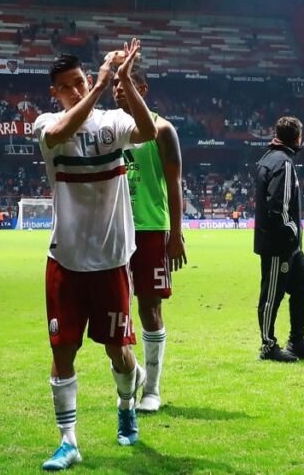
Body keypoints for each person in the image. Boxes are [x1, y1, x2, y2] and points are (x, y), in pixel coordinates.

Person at [33, 41, 158, 471]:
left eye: (80, 81)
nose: (74, 89)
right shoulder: (48, 122)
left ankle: (126, 403)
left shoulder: (112, 121)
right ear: (55, 92)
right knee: (62, 348)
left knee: (118, 355)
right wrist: (100, 86)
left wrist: (122, 80)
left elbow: (148, 131)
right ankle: (68, 442)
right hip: (65, 259)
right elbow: (58, 134)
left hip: (110, 261)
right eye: (66, 86)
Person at [112, 61, 186, 414]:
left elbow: (173, 184)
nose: (116, 89)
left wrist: (177, 234)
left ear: (142, 89)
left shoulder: (162, 129)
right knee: (114, 310)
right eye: (114, 84)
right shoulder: (108, 129)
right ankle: (134, 371)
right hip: (113, 230)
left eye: (124, 83)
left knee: (149, 308)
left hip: (151, 230)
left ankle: (152, 389)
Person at [254, 116, 304, 363]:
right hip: (279, 245)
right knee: (272, 294)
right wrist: (292, 232)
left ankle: (296, 341)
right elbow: (278, 207)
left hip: (286, 246)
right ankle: (268, 345)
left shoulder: (268, 159)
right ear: (298, 137)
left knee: (303, 285)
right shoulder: (283, 163)